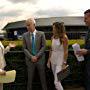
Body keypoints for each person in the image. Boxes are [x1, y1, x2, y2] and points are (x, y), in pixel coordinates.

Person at [22, 18, 47, 90]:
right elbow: (24, 48)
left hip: (40, 60)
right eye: (26, 25)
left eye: (29, 25)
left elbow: (43, 46)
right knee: (29, 79)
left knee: (43, 79)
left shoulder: (41, 34)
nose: (27, 27)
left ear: (34, 25)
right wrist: (31, 57)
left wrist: (36, 56)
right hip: (30, 61)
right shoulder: (24, 35)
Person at [47, 22, 68, 90]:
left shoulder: (64, 37)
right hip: (53, 60)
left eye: (53, 28)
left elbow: (66, 51)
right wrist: (48, 61)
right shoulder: (52, 37)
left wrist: (64, 63)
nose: (52, 29)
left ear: (58, 29)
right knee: (57, 80)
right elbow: (51, 49)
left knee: (56, 82)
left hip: (60, 62)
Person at [76, 9, 90, 90]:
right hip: (87, 64)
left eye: (86, 18)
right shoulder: (88, 31)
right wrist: (82, 50)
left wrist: (87, 51)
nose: (84, 20)